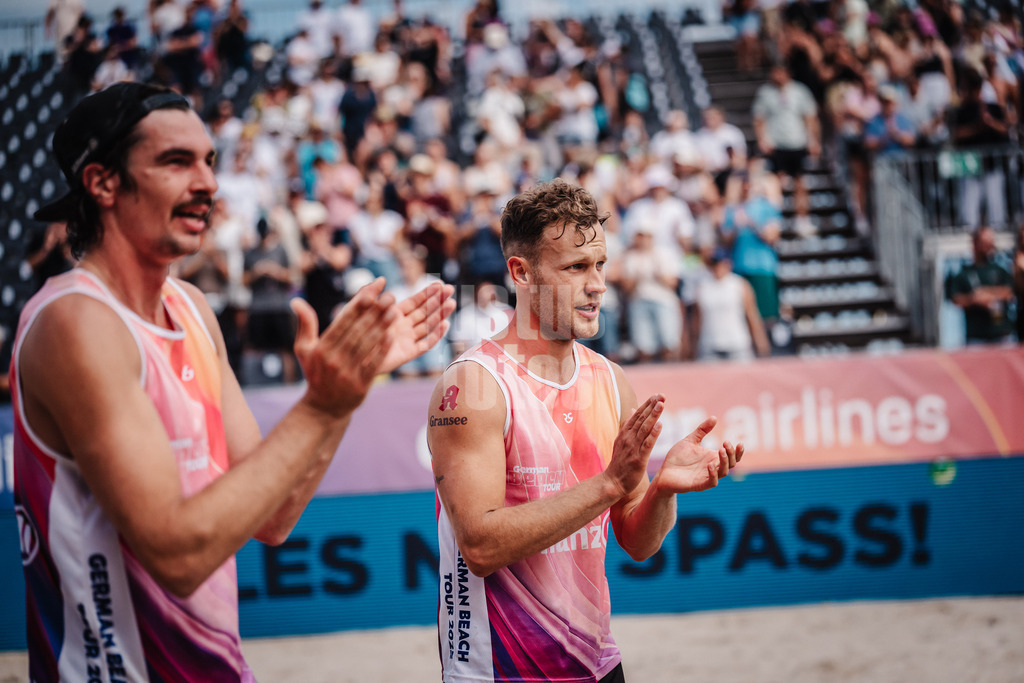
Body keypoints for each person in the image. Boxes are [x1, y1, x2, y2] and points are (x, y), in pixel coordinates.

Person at [10, 82, 454, 681]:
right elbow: (178, 555)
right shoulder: (75, 321)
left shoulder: (190, 308)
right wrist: (322, 407)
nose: (208, 184)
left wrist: (349, 388)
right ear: (102, 183)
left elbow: (274, 519)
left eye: (210, 161)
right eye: (176, 162)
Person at [428, 179, 743, 682]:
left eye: (599, 264)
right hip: (499, 671)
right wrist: (610, 485)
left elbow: (638, 543)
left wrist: (661, 489)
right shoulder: (473, 385)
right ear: (521, 272)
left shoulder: (609, 378)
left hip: (597, 663)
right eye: (575, 267)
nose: (597, 283)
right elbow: (481, 548)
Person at [950, 225, 1014, 344]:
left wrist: (987, 293)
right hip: (976, 337)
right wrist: (974, 299)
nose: (989, 247)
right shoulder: (964, 273)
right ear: (975, 243)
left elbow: (1010, 292)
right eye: (985, 243)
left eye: (991, 243)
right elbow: (956, 299)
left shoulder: (999, 270)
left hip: (1001, 334)